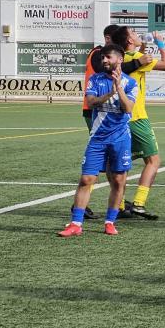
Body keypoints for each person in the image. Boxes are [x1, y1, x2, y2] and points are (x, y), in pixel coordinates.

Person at [59, 44, 136, 238]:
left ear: (119, 59)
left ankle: (110, 221)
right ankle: (76, 224)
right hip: (98, 138)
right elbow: (91, 102)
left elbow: (128, 108)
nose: (104, 61)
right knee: (86, 179)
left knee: (118, 182)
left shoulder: (131, 83)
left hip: (120, 139)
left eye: (108, 57)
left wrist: (119, 89)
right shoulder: (95, 79)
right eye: (103, 58)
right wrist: (109, 93)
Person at [116, 26, 165, 221]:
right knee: (153, 160)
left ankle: (120, 205)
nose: (137, 34)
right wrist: (161, 44)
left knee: (124, 164)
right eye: (133, 33)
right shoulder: (135, 59)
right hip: (137, 118)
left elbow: (139, 56)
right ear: (129, 41)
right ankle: (139, 203)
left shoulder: (124, 59)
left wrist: (146, 44)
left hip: (121, 119)